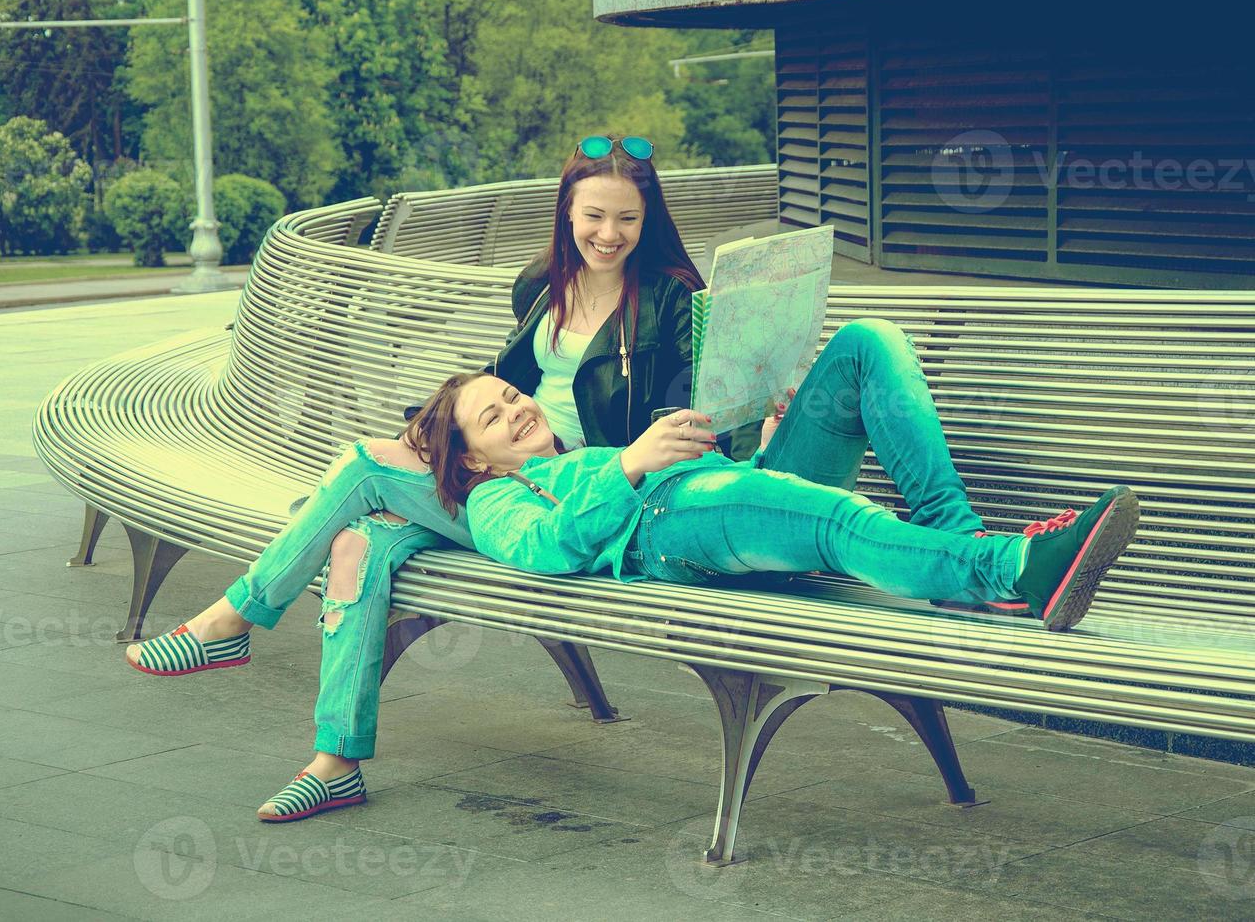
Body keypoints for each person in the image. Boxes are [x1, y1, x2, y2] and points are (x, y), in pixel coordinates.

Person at [125, 135, 728, 822]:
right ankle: (335, 763)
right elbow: (504, 387)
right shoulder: (543, 286)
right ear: (566, 212)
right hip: (499, 473)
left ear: (649, 221)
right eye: (594, 215)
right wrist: (438, 433)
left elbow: (693, 417)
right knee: (359, 543)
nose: (609, 234)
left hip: (573, 494)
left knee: (361, 467)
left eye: (627, 218)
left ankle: (233, 618)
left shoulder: (672, 300)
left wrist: (740, 408)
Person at [426, 318, 1139, 632]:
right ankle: (1013, 567)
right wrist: (632, 463)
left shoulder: (571, 455)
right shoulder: (493, 501)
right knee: (833, 516)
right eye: (494, 417)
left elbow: (723, 490)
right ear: (472, 460)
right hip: (669, 529)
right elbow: (552, 549)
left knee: (866, 344)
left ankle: (955, 542)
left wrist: (765, 449)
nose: (517, 409)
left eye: (512, 396)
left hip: (718, 498)